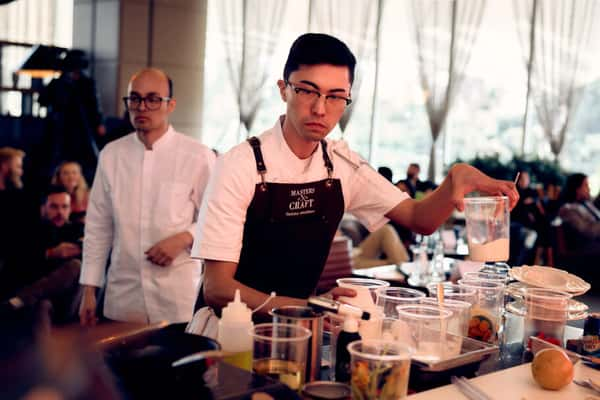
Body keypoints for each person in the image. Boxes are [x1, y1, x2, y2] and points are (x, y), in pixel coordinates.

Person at [192, 33, 518, 319]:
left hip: (300, 332)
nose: (321, 109)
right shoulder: (240, 164)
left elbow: (420, 218)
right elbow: (218, 289)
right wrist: (309, 307)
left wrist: (454, 181)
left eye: (335, 96)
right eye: (307, 91)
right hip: (227, 335)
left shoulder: (342, 166)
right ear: (284, 90)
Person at [78, 68, 216, 326]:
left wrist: (185, 237)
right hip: (123, 297)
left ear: (170, 105)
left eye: (153, 99)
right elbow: (98, 227)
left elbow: (217, 219)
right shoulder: (111, 155)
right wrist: (88, 291)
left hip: (177, 300)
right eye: (135, 98)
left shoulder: (198, 156)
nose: (142, 106)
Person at [2, 185, 83, 322]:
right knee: (42, 306)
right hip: (38, 298)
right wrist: (50, 253)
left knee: (76, 265)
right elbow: (13, 264)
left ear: (70, 209)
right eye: (54, 207)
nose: (60, 212)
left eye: (65, 207)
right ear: (43, 209)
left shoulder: (77, 230)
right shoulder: (28, 231)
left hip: (68, 300)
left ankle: (17, 301)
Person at [38, 49, 105, 184]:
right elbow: (43, 100)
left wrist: (98, 123)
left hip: (81, 127)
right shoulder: (59, 82)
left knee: (85, 159)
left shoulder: (86, 83)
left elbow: (94, 105)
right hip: (60, 127)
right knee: (57, 157)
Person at [557, 173, 600, 256]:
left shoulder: (587, 204)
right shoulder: (568, 210)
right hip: (586, 251)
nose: (589, 188)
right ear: (577, 189)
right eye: (586, 185)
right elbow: (588, 232)